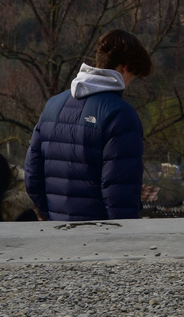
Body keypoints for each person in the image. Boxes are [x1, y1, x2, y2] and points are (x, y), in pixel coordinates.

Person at [25, 30, 151, 221]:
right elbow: (119, 195)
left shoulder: (52, 105)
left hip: (56, 235)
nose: (130, 82)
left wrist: (53, 214)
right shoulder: (121, 114)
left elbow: (32, 177)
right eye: (133, 75)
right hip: (100, 239)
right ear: (125, 67)